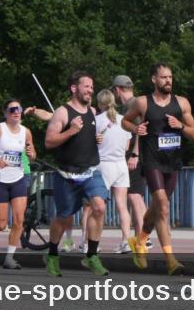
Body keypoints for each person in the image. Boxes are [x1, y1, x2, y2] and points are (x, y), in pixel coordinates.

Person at [122, 63, 194, 275]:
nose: (168, 81)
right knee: (163, 206)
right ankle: (171, 260)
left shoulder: (181, 103)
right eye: (164, 77)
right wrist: (136, 128)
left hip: (172, 162)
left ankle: (139, 242)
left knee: (157, 208)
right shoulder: (143, 103)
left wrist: (180, 126)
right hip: (152, 161)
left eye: (170, 77)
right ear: (154, 79)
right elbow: (125, 122)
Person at [43, 71, 109, 277]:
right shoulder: (62, 113)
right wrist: (70, 131)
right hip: (67, 175)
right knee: (63, 217)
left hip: (90, 171)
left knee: (99, 206)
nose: (91, 90)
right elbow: (49, 141)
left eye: (92, 86)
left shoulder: (92, 110)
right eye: (86, 86)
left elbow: (87, 136)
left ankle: (91, 256)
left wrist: (95, 138)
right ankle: (52, 255)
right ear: (74, 88)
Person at [0, 99, 36, 269]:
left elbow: (32, 153)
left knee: (19, 220)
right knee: (1, 224)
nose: (16, 112)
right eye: (12, 109)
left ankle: (9, 258)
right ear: (5, 113)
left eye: (19, 108)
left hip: (17, 179)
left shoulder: (26, 132)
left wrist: (32, 154)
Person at [95, 89, 133, 252]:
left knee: (97, 206)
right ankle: (126, 241)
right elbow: (126, 146)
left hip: (103, 164)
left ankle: (93, 243)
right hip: (121, 165)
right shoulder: (124, 120)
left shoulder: (96, 121)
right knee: (122, 206)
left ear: (99, 103)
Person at [112, 75, 147, 253]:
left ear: (117, 90)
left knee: (133, 195)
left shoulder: (133, 106)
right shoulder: (136, 103)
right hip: (141, 155)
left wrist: (135, 154)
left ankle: (142, 238)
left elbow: (141, 131)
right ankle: (143, 237)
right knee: (138, 196)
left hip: (136, 155)